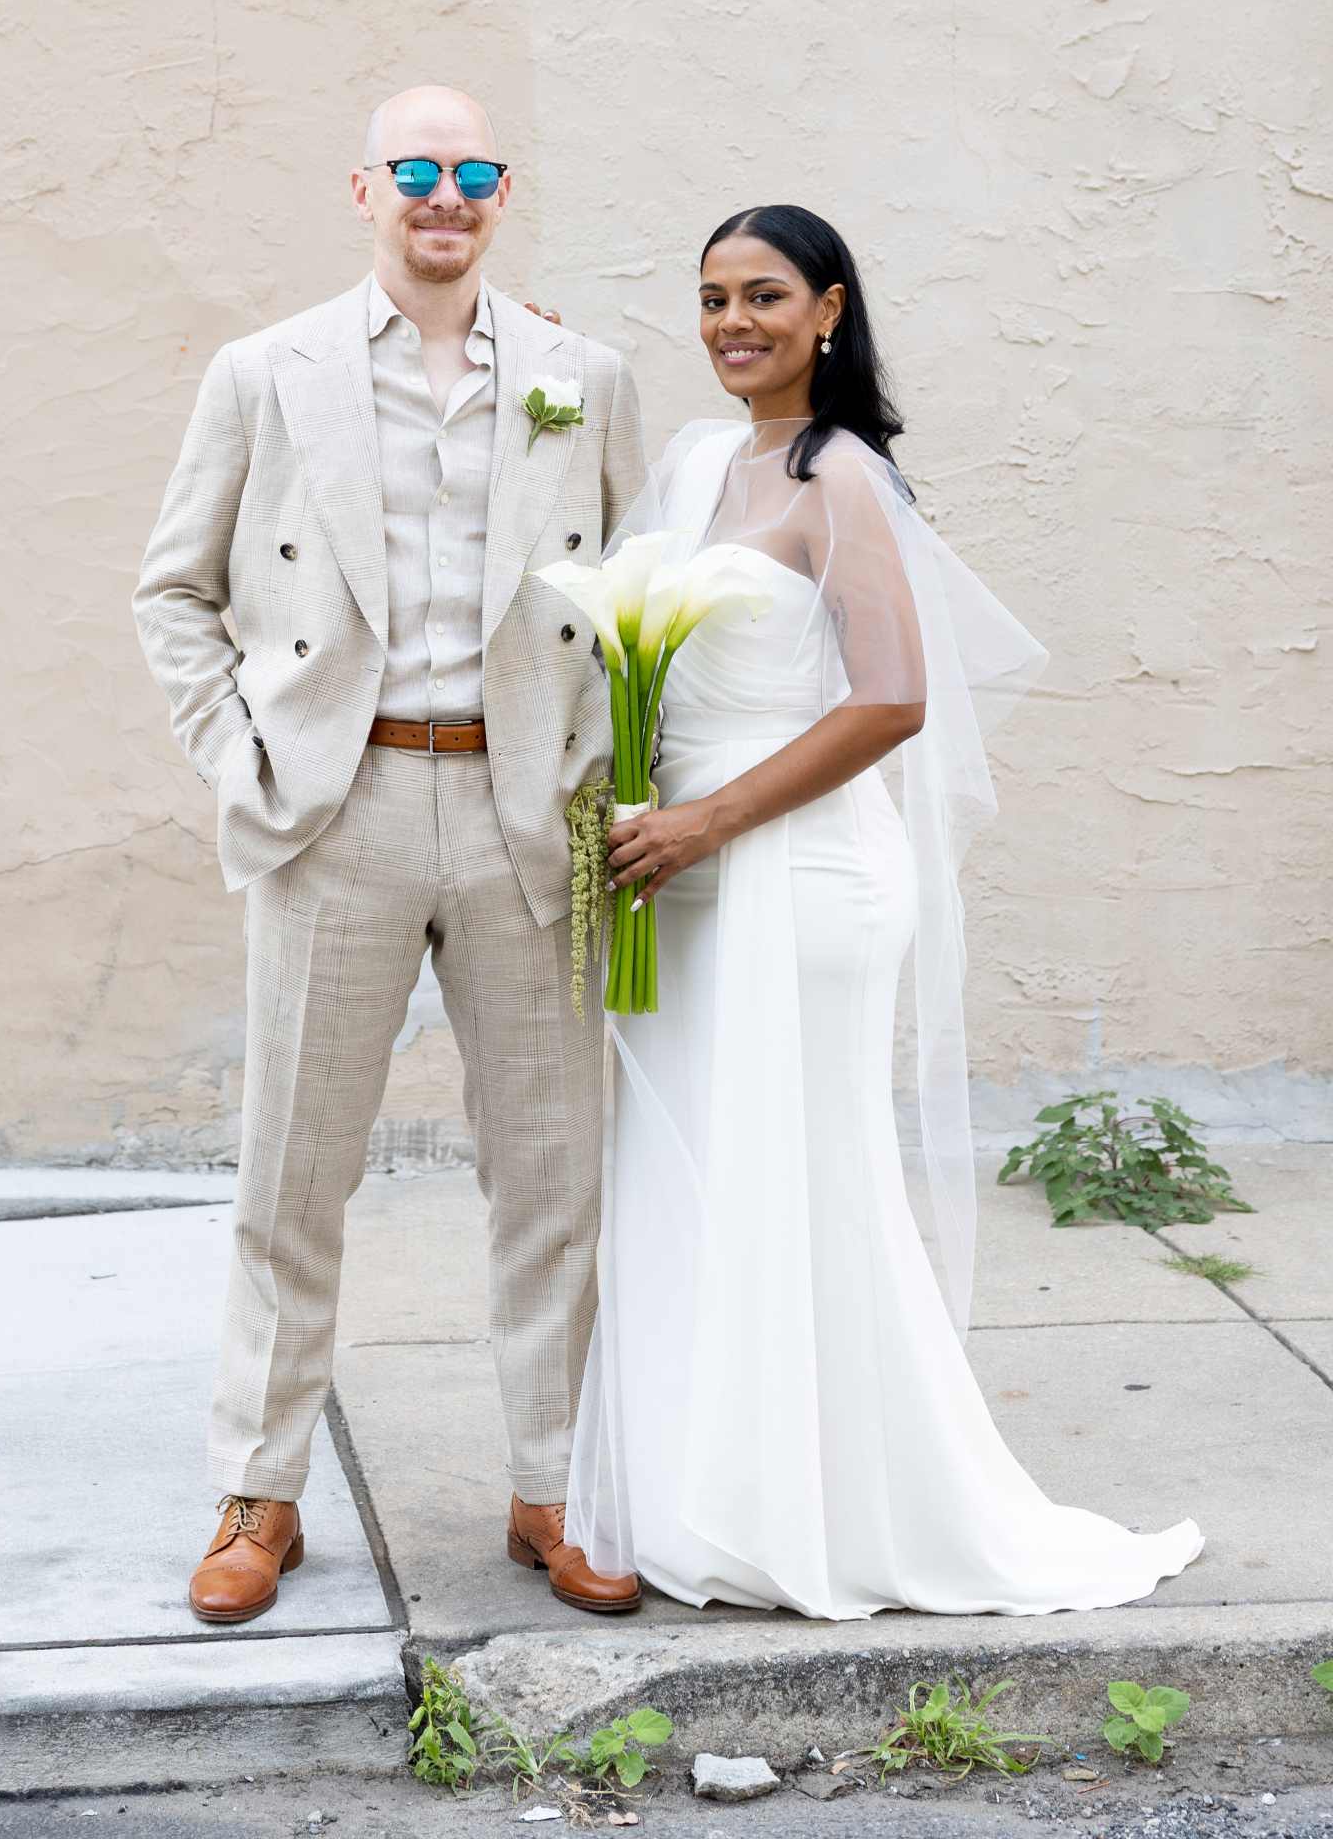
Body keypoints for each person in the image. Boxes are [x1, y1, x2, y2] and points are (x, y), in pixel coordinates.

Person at [566, 203, 1203, 1616]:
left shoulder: (844, 480)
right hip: (679, 872)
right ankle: (706, 1491)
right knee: (695, 1177)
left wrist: (711, 819)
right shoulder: (695, 464)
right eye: (715, 297)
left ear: (832, 313)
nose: (736, 322)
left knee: (801, 1181)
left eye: (768, 296)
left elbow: (894, 701)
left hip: (800, 874)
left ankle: (830, 1511)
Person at [134, 86, 647, 1622]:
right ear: (362, 189)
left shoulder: (585, 374)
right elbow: (173, 594)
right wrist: (254, 761)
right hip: (338, 811)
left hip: (528, 818)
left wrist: (612, 782)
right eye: (416, 169)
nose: (446, 192)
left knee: (553, 1170)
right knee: (293, 1174)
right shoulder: (263, 372)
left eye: (474, 171)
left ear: (503, 195)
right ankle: (259, 1490)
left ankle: (558, 1483)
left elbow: (639, 592)